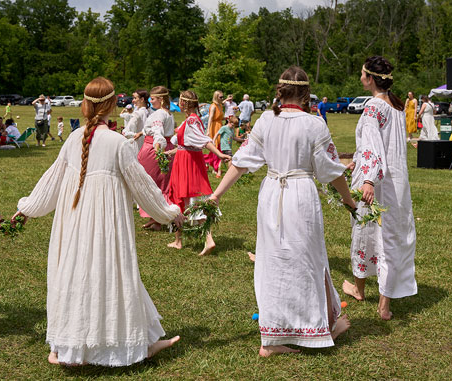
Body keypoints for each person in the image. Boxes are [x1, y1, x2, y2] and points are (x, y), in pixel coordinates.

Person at [12, 76, 183, 367]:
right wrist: (170, 212)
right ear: (113, 105)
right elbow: (143, 187)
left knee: (77, 275)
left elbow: (51, 180)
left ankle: (70, 347)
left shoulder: (73, 138)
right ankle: (113, 346)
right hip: (105, 225)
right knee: (110, 275)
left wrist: (28, 208)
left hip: (75, 222)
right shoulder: (118, 143)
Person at [209, 66, 354, 356]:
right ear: (306, 93)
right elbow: (331, 171)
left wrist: (215, 195)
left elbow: (241, 161)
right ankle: (313, 326)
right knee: (310, 259)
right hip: (300, 194)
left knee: (273, 262)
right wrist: (350, 201)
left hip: (272, 192)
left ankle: (283, 334)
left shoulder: (265, 121)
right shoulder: (315, 125)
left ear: (280, 91)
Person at [341, 56, 418, 321]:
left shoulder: (374, 107)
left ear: (370, 78)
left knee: (367, 232)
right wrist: (356, 161)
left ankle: (363, 292)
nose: (360, 78)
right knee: (389, 236)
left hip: (376, 182)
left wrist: (369, 179)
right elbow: (377, 146)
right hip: (396, 182)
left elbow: (374, 146)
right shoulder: (396, 106)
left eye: (362, 74)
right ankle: (381, 303)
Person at [166, 90, 231, 255]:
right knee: (180, 199)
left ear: (185, 104)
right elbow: (185, 145)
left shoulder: (192, 121)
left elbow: (203, 141)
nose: (179, 105)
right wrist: (170, 153)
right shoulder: (189, 120)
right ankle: (178, 240)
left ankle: (208, 240)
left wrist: (219, 154)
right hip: (184, 160)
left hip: (189, 164)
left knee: (192, 201)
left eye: (181, 102)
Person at [133, 86, 176, 230]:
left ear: (161, 99)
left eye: (153, 99)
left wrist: (158, 146)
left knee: (152, 183)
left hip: (154, 149)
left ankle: (161, 216)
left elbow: (158, 132)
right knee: (161, 183)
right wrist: (141, 132)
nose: (150, 101)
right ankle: (156, 217)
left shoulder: (159, 114)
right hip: (165, 147)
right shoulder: (167, 113)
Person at [205, 90, 225, 178]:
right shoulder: (213, 106)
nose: (222, 98)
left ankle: (209, 162)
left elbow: (220, 117)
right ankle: (215, 167)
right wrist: (208, 130)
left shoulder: (220, 105)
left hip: (220, 125)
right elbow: (210, 119)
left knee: (219, 146)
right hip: (214, 127)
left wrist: (226, 118)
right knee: (216, 147)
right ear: (216, 97)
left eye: (222, 97)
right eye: (221, 97)